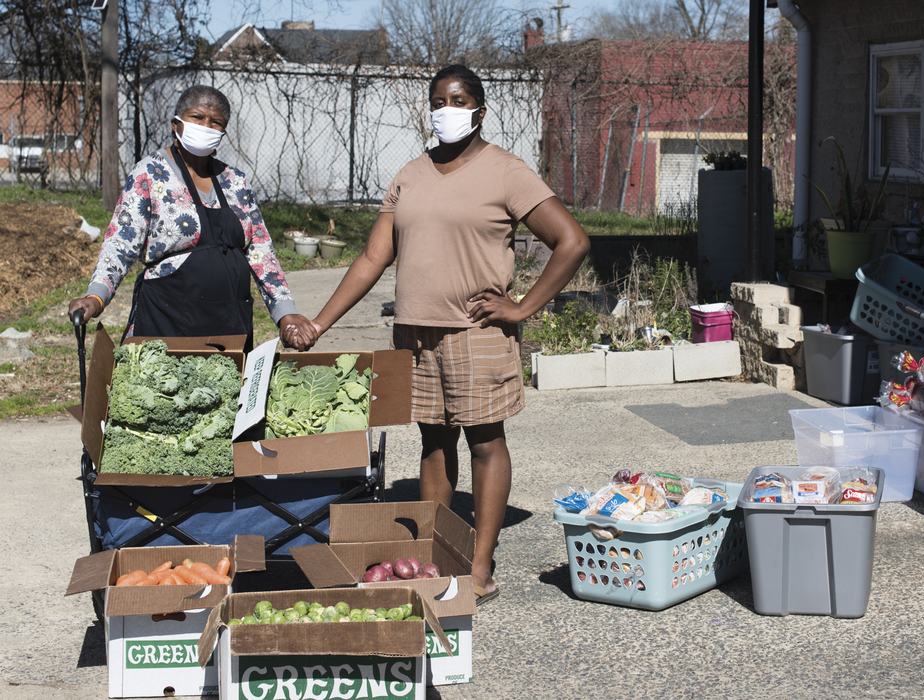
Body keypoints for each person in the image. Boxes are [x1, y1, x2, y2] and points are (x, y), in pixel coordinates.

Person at [296, 65, 590, 603]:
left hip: (475, 331)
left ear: (480, 108)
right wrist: (320, 322)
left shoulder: (507, 171)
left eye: (457, 99)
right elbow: (372, 257)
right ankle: (438, 556)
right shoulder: (409, 174)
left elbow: (571, 240)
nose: (446, 109)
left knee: (484, 441)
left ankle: (478, 566)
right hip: (415, 334)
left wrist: (522, 307)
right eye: (437, 100)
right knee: (433, 441)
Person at [68, 85, 316, 349]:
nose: (206, 125)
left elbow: (261, 253)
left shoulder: (236, 182)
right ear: (176, 124)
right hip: (166, 319)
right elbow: (120, 243)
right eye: (198, 117)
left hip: (229, 323)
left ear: (222, 133)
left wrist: (285, 312)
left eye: (216, 122)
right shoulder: (149, 174)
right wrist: (96, 297)